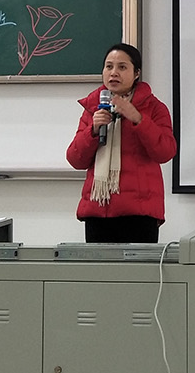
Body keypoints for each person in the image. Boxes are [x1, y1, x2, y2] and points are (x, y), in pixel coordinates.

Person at [65, 43, 176, 243]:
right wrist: (93, 130)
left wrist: (139, 119)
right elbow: (75, 159)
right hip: (98, 210)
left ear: (136, 73)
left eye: (122, 67)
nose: (114, 73)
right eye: (109, 66)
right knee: (99, 265)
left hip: (139, 213)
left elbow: (166, 152)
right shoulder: (93, 108)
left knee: (138, 265)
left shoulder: (154, 108)